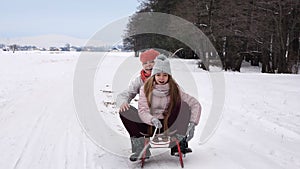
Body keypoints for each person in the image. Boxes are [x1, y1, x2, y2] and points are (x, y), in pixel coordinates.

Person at [138, 54, 201, 156]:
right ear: (154, 75)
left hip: (170, 124)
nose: (161, 78)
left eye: (165, 75)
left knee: (183, 105)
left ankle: (178, 143)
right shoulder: (145, 89)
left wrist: (193, 123)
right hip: (152, 125)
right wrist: (151, 119)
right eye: (158, 74)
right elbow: (142, 110)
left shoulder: (174, 88)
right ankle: (140, 146)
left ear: (169, 76)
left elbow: (194, 104)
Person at [116, 49, 160, 161]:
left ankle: (179, 142)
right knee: (125, 111)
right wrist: (124, 102)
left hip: (163, 122)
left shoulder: (165, 78)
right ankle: (140, 146)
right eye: (145, 63)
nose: (148, 65)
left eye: (151, 61)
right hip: (145, 120)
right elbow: (127, 93)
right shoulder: (140, 80)